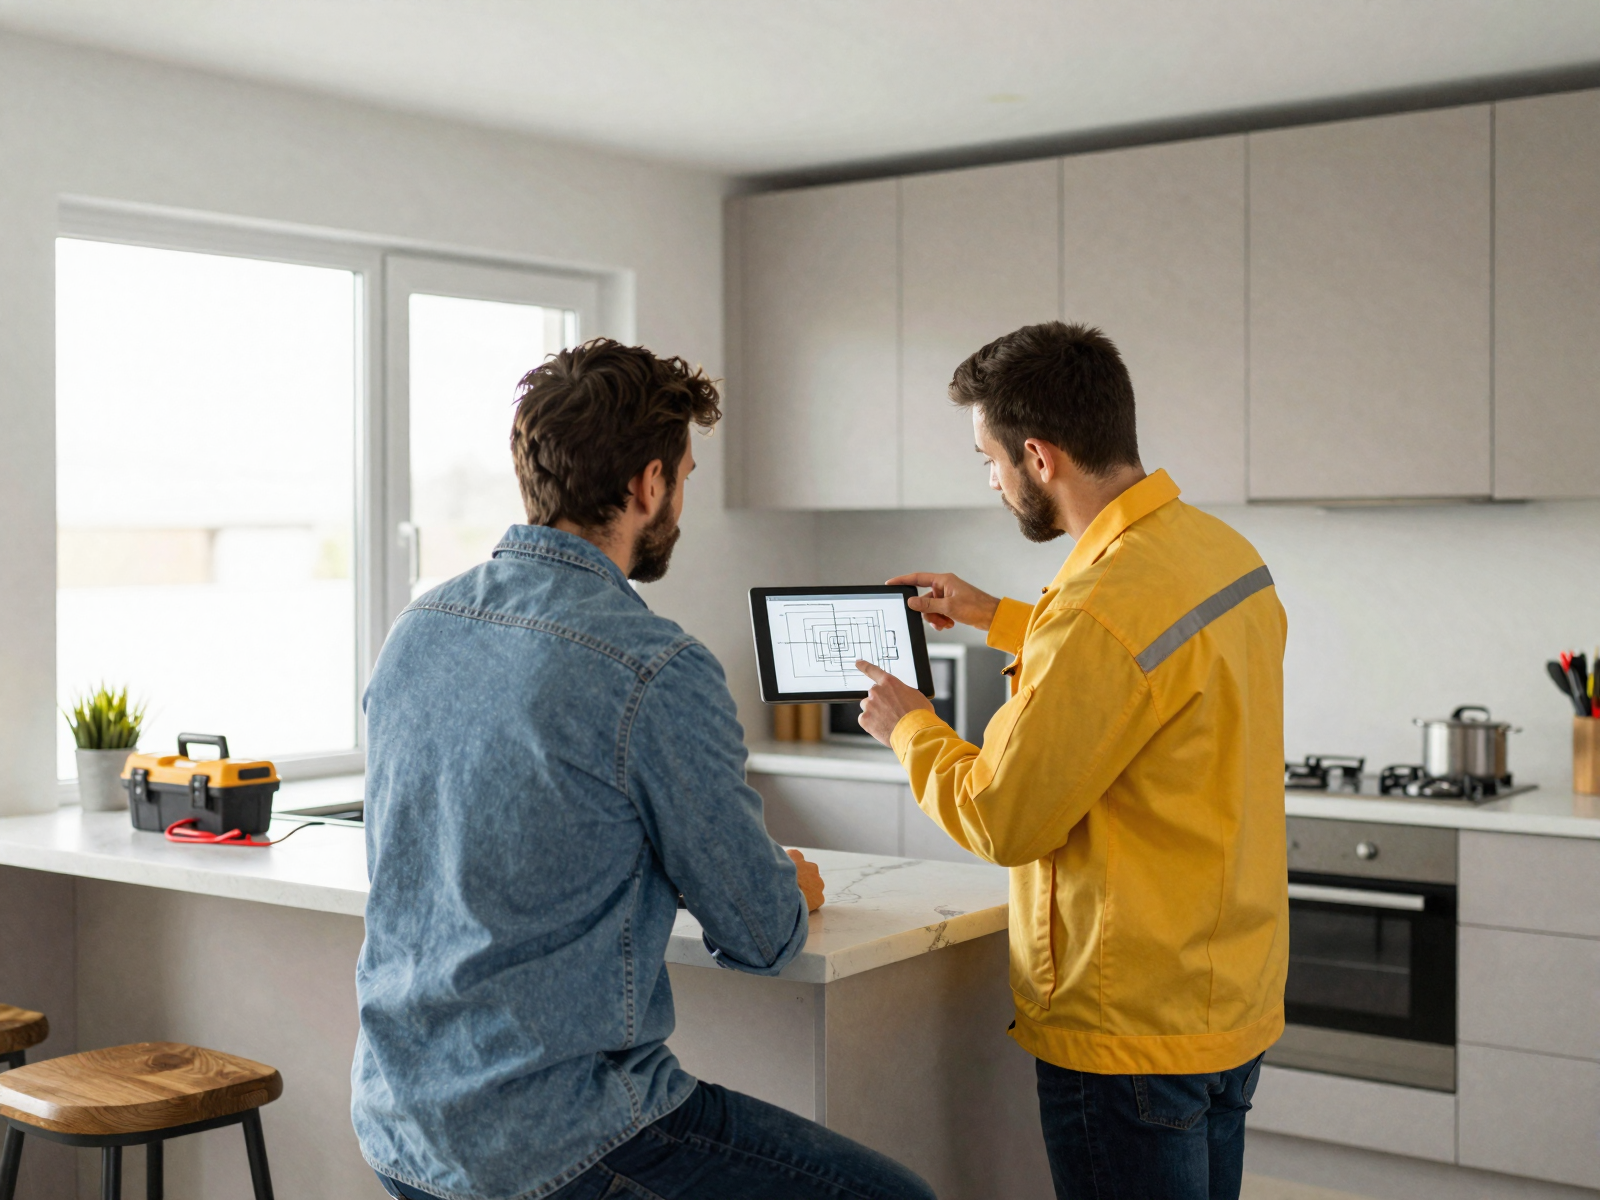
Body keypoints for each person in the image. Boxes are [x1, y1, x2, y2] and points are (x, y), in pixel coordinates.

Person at [353, 338, 935, 1200]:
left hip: (401, 1126)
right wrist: (789, 886)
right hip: (561, 1137)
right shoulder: (652, 665)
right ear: (647, 485)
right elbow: (760, 930)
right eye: (685, 479)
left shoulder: (417, 628)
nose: (679, 505)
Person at [853, 322, 1288, 1200]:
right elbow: (1141, 668)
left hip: (1128, 1028)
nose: (992, 479)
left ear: (1039, 458)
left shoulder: (1095, 607)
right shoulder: (1219, 555)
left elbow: (1002, 816)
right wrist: (1001, 618)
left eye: (990, 459)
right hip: (1225, 1001)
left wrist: (912, 726)